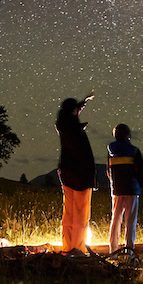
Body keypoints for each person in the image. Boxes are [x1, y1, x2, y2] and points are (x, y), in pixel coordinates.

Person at [55, 93, 96, 255]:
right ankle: (78, 249)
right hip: (81, 176)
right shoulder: (74, 130)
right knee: (80, 215)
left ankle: (67, 247)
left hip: (66, 174)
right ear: (72, 111)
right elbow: (82, 154)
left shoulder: (63, 126)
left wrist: (82, 103)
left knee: (69, 213)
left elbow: (72, 113)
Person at [107, 123, 143, 258]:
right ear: (128, 135)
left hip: (117, 190)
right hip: (132, 189)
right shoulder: (134, 151)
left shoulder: (110, 150)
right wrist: (140, 184)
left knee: (115, 220)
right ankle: (129, 253)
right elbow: (140, 171)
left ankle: (112, 252)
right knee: (130, 222)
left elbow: (109, 170)